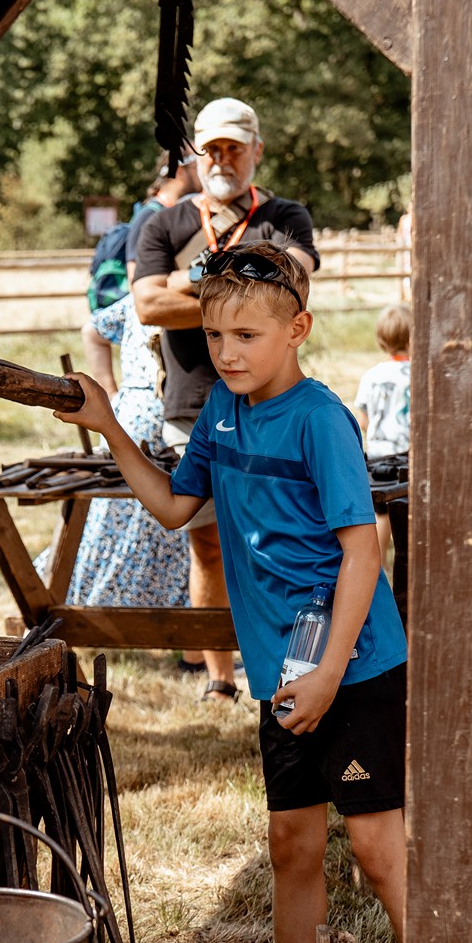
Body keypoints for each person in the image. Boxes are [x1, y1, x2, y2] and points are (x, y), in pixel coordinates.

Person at [54, 242, 407, 943]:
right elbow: (175, 506)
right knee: (291, 843)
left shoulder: (321, 419)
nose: (228, 353)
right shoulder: (220, 411)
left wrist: (328, 675)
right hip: (284, 670)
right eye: (214, 336)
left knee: (375, 848)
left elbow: (363, 552)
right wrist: (108, 427)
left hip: (353, 667)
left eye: (247, 335)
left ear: (298, 330)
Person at [130, 99, 319, 703]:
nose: (222, 158)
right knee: (210, 545)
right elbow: (147, 306)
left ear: (256, 150)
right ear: (197, 155)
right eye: (211, 148)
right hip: (192, 403)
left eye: (234, 147)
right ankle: (219, 677)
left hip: (277, 401)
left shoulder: (284, 214)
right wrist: (246, 292)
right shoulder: (164, 224)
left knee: (280, 535)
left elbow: (294, 282)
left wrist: (190, 280)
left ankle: (292, 667)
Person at [63, 293, 190, 609]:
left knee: (175, 523)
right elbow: (94, 330)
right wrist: (110, 391)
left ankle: (173, 609)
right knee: (123, 520)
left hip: (180, 415)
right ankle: (114, 605)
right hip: (137, 418)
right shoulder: (145, 298)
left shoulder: (193, 294)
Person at [81, 149, 200, 397]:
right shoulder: (151, 217)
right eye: (198, 163)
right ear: (180, 170)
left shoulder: (171, 213)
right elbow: (137, 279)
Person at [354, 302, 411, 559]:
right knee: (410, 509)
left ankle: (373, 563)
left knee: (381, 513)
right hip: (407, 457)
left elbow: (363, 420)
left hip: (377, 459)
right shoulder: (418, 374)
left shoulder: (372, 375)